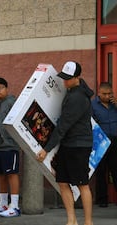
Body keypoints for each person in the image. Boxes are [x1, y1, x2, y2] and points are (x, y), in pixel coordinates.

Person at [36, 61, 94, 225]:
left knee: (82, 184)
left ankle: (88, 222)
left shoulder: (78, 97)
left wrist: (46, 149)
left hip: (79, 145)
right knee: (62, 182)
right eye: (64, 77)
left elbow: (64, 125)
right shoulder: (73, 90)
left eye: (68, 78)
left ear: (77, 78)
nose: (65, 81)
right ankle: (71, 220)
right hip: (68, 144)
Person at [0, 78, 21, 217]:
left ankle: (15, 206)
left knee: (12, 174)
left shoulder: (11, 101)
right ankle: (3, 204)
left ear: (7, 88)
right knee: (0, 175)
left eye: (1, 87)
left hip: (10, 145)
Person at [91, 82, 117, 207]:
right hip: (101, 141)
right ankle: (102, 200)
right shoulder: (93, 105)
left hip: (115, 141)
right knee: (101, 171)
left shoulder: (114, 104)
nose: (107, 96)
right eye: (105, 94)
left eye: (109, 93)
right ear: (99, 93)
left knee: (115, 170)